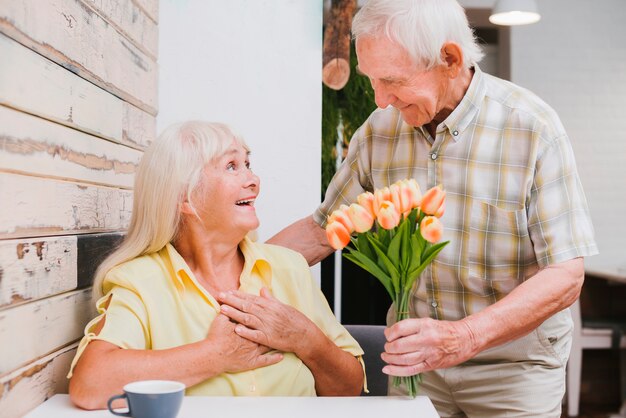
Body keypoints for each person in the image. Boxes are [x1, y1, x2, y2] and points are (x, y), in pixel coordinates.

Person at [268, 0, 598, 416]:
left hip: (515, 367)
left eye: (391, 80)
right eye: (372, 80)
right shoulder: (378, 133)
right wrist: (222, 278)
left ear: (450, 60)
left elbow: (565, 275)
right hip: (416, 368)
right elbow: (324, 230)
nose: (380, 99)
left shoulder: (533, 128)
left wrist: (463, 337)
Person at [67, 121, 364, 410]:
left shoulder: (290, 267)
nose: (254, 181)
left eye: (248, 164)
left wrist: (305, 338)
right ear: (184, 195)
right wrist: (215, 355)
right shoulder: (141, 282)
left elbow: (350, 388)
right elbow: (89, 385)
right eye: (232, 166)